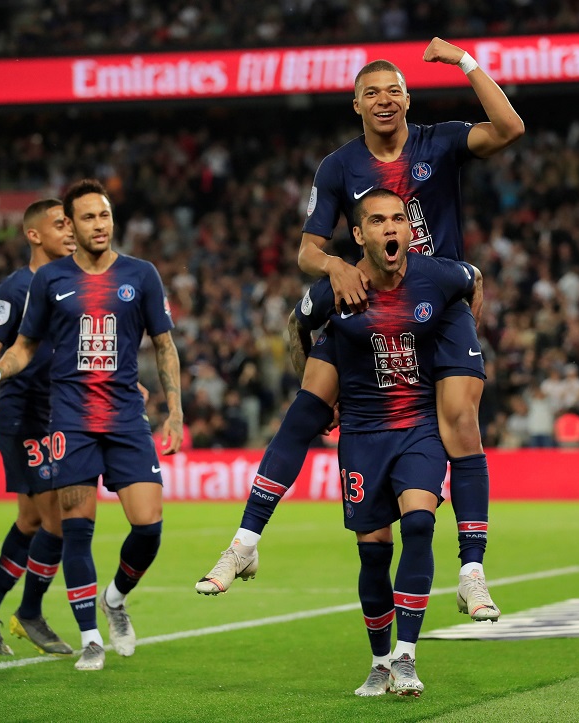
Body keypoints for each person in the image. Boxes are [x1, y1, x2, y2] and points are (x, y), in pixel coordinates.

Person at [197, 37, 523, 622]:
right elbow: (307, 251)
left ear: (408, 99)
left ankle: (472, 571)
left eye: (394, 90)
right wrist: (336, 266)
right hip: (367, 301)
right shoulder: (339, 166)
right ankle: (244, 541)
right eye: (372, 93)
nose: (384, 100)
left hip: (438, 303)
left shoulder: (438, 141)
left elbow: (509, 128)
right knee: (308, 406)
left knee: (460, 420)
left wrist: (464, 62)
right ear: (356, 105)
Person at [0, 179, 184, 672]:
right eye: (88, 217)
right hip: (69, 420)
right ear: (71, 223)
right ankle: (89, 638)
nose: (99, 225)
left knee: (148, 526)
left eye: (104, 215)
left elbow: (164, 345)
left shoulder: (141, 274)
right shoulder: (48, 280)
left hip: (126, 417)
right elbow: (23, 346)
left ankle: (115, 598)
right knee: (73, 528)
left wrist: (174, 409)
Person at [296, 189, 483, 695]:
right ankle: (379, 662)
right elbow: (299, 324)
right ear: (360, 235)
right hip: (363, 432)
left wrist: (466, 336)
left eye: (399, 218)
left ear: (409, 228)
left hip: (419, 425)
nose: (392, 227)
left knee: (420, 524)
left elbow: (473, 281)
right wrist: (319, 389)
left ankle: (406, 657)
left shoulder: (436, 275)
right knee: (373, 554)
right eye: (378, 220)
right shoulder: (338, 290)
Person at [0, 199, 77, 657]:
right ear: (34, 235)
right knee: (59, 519)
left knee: (30, 520)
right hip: (21, 411)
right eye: (60, 224)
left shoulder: (69, 284)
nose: (70, 231)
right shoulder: (15, 288)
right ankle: (29, 613)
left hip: (54, 411)